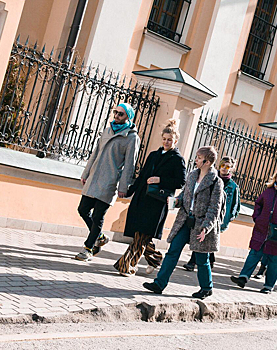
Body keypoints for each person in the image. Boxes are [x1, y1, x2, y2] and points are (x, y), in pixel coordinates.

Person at [143, 146, 224, 299]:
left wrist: (206, 228)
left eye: (199, 158)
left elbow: (215, 208)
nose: (196, 160)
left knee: (201, 259)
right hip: (185, 219)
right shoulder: (192, 175)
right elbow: (185, 197)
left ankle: (207, 288)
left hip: (201, 224)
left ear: (207, 162)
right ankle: (159, 284)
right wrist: (176, 201)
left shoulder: (216, 182)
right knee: (173, 251)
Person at [113, 119, 186, 275]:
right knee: (142, 233)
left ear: (175, 140)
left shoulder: (177, 159)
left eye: (170, 140)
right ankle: (155, 258)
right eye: (164, 139)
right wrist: (129, 191)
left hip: (157, 202)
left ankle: (126, 266)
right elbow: (142, 176)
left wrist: (160, 180)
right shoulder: (153, 155)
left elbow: (181, 181)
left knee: (142, 233)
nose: (166, 142)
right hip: (142, 198)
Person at [74, 103, 140, 261]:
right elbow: (95, 153)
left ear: (128, 117)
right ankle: (101, 237)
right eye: (115, 112)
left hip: (110, 182)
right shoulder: (107, 131)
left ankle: (88, 249)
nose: (117, 116)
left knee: (98, 216)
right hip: (94, 178)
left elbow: (129, 165)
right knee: (83, 209)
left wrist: (123, 187)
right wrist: (86, 173)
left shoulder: (131, 138)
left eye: (121, 114)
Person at [230, 166, 277, 294]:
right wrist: (257, 218)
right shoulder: (269, 190)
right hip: (262, 229)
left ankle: (268, 286)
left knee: (274, 260)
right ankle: (243, 277)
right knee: (254, 253)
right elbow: (258, 204)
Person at [183, 156, 241, 271]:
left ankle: (205, 260)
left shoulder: (233, 186)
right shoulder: (211, 179)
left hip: (220, 218)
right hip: (206, 214)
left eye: (228, 166)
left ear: (231, 169)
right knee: (201, 236)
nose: (224, 168)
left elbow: (236, 205)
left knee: (207, 238)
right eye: (223, 165)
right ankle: (195, 261)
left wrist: (229, 218)